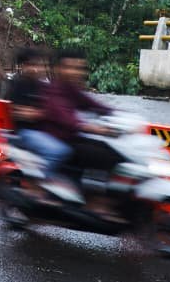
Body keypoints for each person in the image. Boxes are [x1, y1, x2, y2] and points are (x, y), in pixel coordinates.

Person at [40, 48, 124, 207]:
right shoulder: (53, 91)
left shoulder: (71, 89)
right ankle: (94, 200)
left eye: (79, 68)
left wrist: (117, 114)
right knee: (104, 156)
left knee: (111, 150)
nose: (75, 72)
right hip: (60, 140)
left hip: (72, 138)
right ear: (57, 68)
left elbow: (91, 104)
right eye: (69, 67)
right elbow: (69, 121)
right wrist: (99, 129)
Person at [3, 47, 79, 203]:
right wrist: (44, 112)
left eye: (37, 64)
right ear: (22, 66)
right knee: (58, 151)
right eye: (30, 65)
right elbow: (19, 112)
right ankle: (38, 187)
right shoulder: (17, 85)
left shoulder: (41, 85)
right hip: (26, 132)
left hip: (43, 129)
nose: (35, 68)